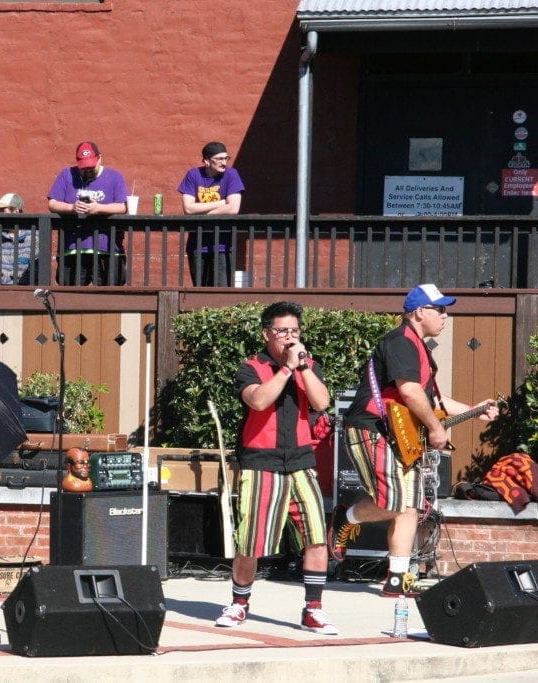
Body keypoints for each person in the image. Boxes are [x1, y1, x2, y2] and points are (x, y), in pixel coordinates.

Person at [330, 284, 500, 597]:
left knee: (408, 506)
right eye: (441, 309)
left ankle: (396, 579)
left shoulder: (420, 349)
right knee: (394, 502)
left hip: (397, 434)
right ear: (420, 312)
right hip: (372, 428)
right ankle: (347, 516)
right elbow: (408, 391)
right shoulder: (400, 342)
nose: (446, 316)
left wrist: (476, 410)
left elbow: (431, 398)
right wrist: (436, 428)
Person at [215, 301, 338, 635]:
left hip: (301, 462)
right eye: (283, 331)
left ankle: (313, 609)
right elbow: (258, 401)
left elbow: (322, 402)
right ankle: (239, 604)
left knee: (315, 537)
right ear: (266, 333)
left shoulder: (308, 366)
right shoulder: (251, 366)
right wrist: (285, 369)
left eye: (294, 331)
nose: (289, 337)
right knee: (250, 542)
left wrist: (303, 369)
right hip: (261, 462)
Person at [47, 141, 128, 286]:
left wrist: (98, 208)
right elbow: (52, 203)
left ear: (100, 158)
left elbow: (122, 206)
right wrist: (72, 208)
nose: (88, 170)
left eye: (92, 166)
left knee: (111, 294)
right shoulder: (67, 175)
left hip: (106, 248)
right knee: (70, 295)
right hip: (73, 247)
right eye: (84, 168)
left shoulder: (115, 177)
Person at [177, 141, 245, 287]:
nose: (224, 162)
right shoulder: (193, 175)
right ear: (207, 161)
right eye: (219, 159)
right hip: (197, 243)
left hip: (223, 244)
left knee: (222, 291)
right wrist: (221, 203)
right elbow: (188, 209)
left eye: (226, 158)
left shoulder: (231, 174)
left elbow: (233, 208)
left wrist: (200, 212)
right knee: (200, 289)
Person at [0, 193, 38, 285]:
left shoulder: (34, 237)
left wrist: (3, 281)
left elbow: (38, 271)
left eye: (3, 211)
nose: (0, 215)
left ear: (16, 211)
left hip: (25, 293)